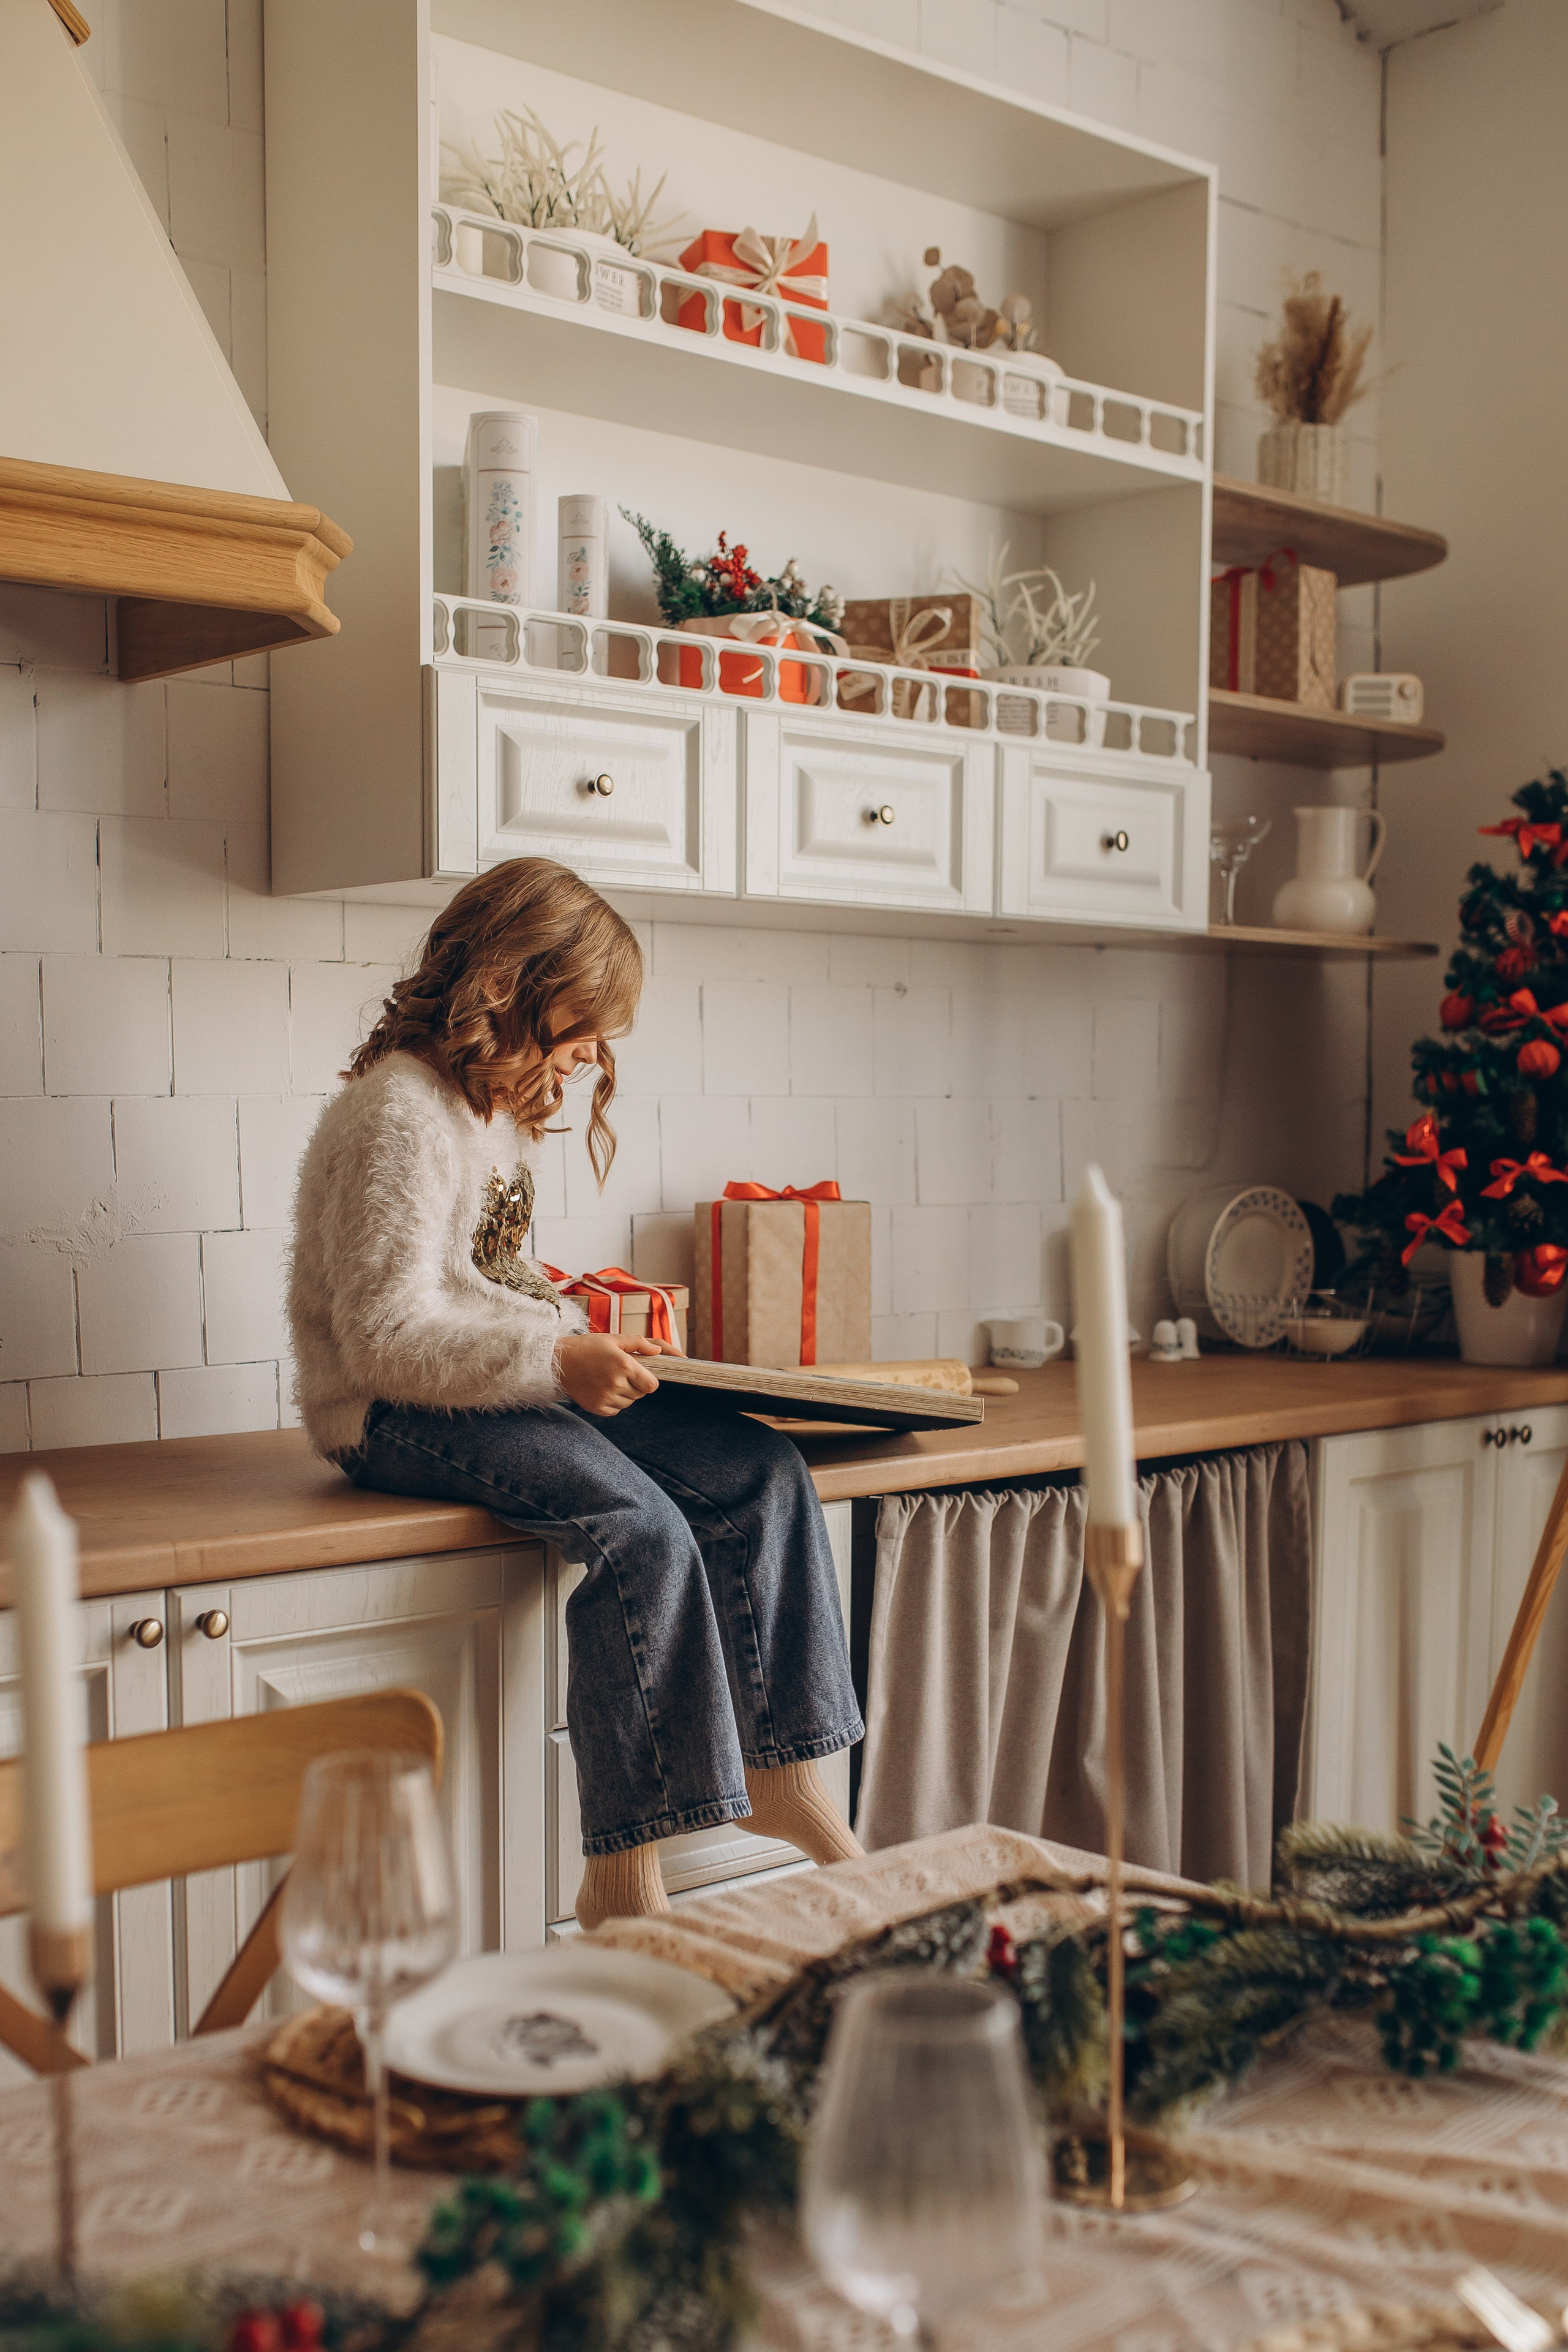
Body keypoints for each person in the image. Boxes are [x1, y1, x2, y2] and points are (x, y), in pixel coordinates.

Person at [288, 856, 863, 1929]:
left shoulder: (491, 1111)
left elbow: (488, 1285)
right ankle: (623, 1874)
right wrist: (557, 1361)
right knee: (640, 1528)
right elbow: (383, 1338)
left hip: (494, 1386)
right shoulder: (398, 1116)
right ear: (510, 986)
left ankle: (785, 1777)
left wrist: (581, 1332)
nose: (597, 1054)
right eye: (588, 1024)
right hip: (388, 1415)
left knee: (762, 1471)